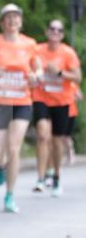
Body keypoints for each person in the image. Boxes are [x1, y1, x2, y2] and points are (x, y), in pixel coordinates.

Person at [0, 4, 42, 214]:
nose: (13, 21)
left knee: (14, 148)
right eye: (8, 18)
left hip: (21, 102)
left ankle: (9, 195)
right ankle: (0, 166)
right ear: (2, 22)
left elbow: (38, 68)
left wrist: (35, 76)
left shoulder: (30, 44)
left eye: (16, 18)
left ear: (21, 22)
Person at [31, 20, 82, 196]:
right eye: (52, 28)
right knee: (43, 135)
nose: (55, 32)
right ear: (46, 32)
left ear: (62, 35)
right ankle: (40, 177)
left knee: (57, 140)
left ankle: (57, 177)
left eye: (59, 30)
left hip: (62, 100)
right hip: (41, 97)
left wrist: (59, 73)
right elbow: (29, 67)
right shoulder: (37, 50)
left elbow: (77, 78)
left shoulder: (68, 53)